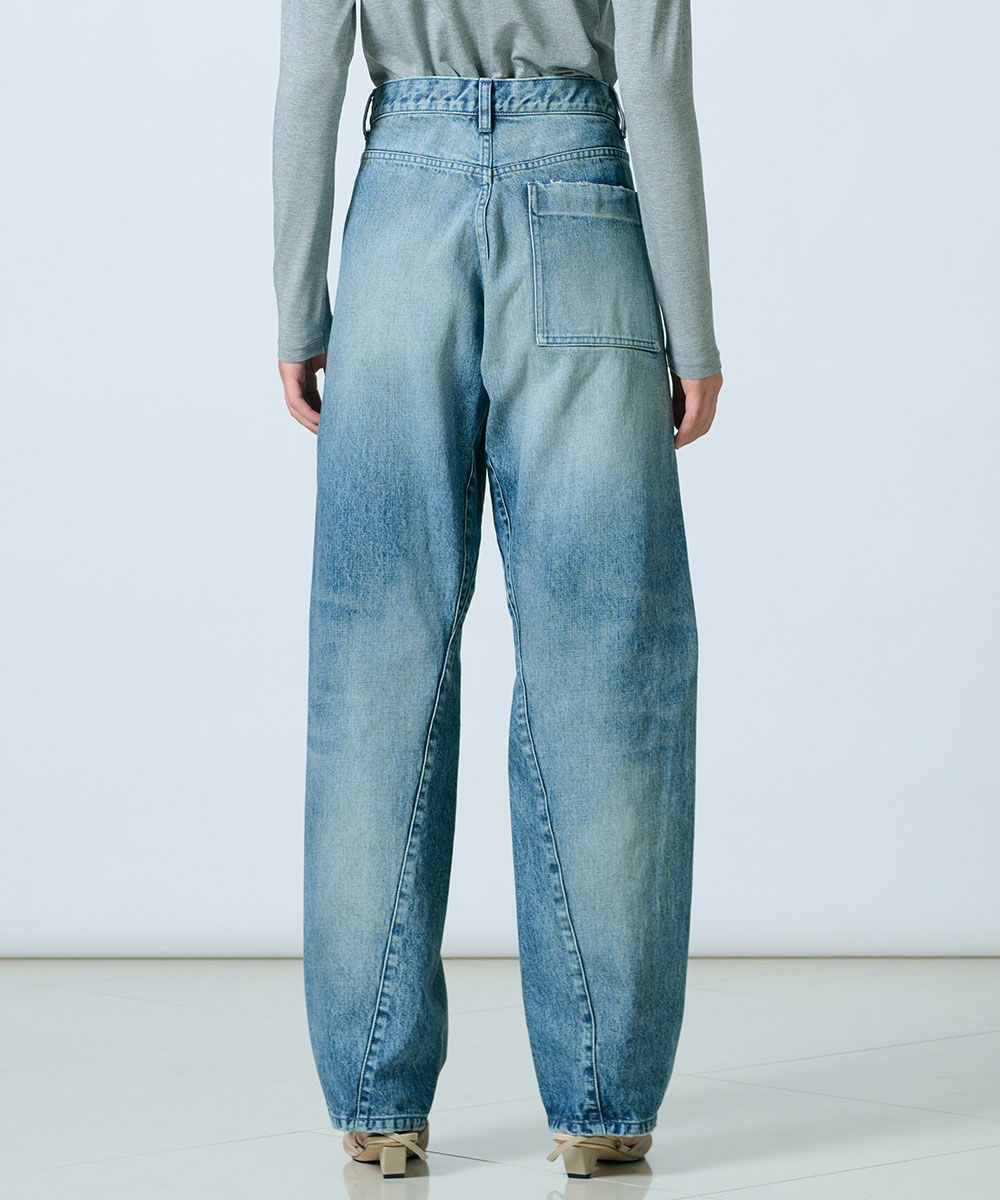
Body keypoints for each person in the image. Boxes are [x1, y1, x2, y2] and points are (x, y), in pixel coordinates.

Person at [272, 0, 723, 1181]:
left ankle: (375, 1101)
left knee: (376, 660)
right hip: (581, 207)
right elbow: (653, 80)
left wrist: (298, 307)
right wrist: (691, 329)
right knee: (606, 657)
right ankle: (603, 1103)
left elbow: (311, 70)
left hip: (399, 220)